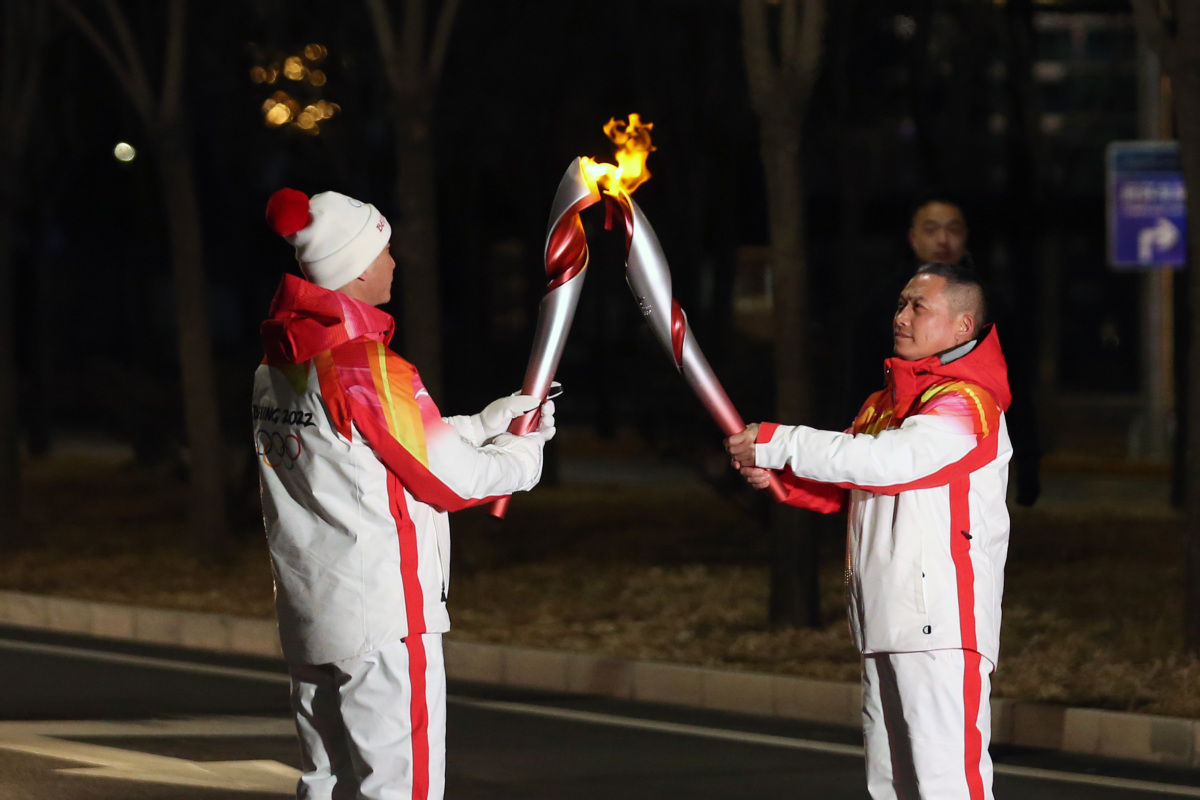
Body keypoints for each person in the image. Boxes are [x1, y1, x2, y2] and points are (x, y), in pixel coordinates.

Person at [253, 187, 555, 800]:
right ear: (358, 265)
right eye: (386, 250)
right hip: (382, 618)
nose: (395, 262)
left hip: (312, 613)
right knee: (399, 790)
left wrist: (480, 424)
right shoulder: (366, 366)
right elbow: (451, 480)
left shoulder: (276, 368)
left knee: (327, 784)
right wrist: (525, 456)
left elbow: (363, 451)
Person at [726, 262, 1011, 800]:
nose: (901, 317)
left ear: (962, 327)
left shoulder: (968, 403)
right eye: (900, 304)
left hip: (940, 626)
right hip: (883, 621)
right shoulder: (884, 405)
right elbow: (849, 482)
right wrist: (778, 474)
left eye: (918, 307)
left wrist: (778, 441)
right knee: (892, 786)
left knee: (946, 784)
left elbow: (887, 464)